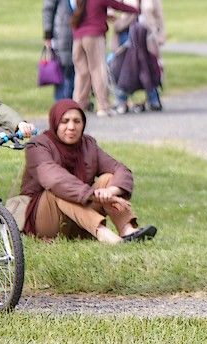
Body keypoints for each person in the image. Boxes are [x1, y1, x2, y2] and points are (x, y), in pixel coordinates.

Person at [9, 99, 157, 244]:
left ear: (83, 124)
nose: (71, 127)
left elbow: (120, 169)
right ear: (55, 122)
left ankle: (127, 230)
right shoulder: (38, 146)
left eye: (77, 121)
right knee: (59, 190)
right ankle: (104, 234)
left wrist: (111, 191)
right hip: (46, 222)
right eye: (65, 121)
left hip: (79, 221)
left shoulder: (88, 144)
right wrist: (93, 195)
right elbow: (55, 179)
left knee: (108, 178)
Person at [71, 0, 138, 116]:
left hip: (77, 38)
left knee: (82, 73)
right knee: (98, 70)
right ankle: (103, 106)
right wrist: (136, 9)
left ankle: (77, 106)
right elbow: (117, 5)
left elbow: (88, 14)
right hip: (94, 37)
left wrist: (105, 17)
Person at [110, 0, 166, 112]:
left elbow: (159, 15)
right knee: (126, 66)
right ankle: (121, 98)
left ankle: (153, 97)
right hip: (127, 34)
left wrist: (161, 34)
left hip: (147, 35)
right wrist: (115, 19)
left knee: (149, 65)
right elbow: (109, 6)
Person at [42, 0, 84, 100]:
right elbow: (48, 10)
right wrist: (48, 35)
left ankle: (73, 103)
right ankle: (61, 105)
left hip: (78, 35)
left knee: (76, 69)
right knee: (62, 71)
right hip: (61, 35)